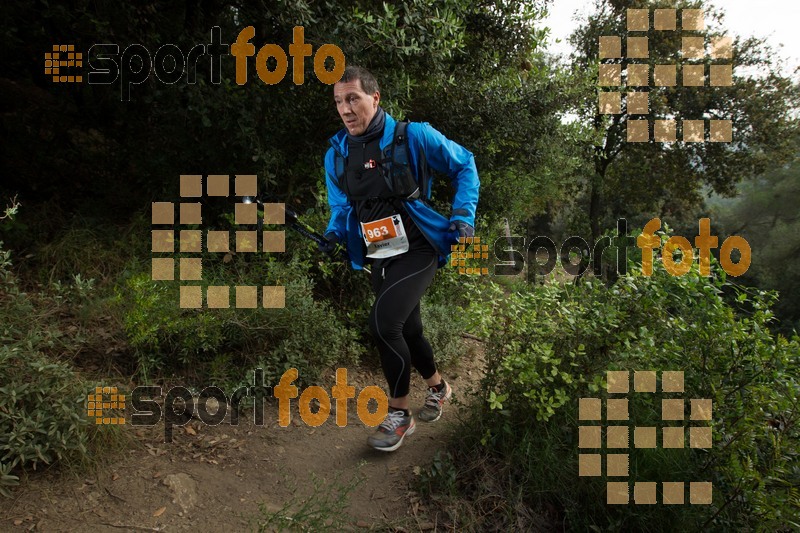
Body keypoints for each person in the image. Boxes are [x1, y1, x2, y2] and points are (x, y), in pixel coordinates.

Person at [319, 65, 479, 452]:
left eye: (353, 98)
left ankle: (398, 415)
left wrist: (462, 217)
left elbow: (465, 165)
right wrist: (334, 234)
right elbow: (341, 208)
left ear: (375, 98)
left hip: (421, 245)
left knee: (383, 323)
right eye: (339, 101)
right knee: (408, 330)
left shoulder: (414, 136)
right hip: (381, 252)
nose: (345, 108)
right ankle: (439, 389)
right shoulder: (337, 155)